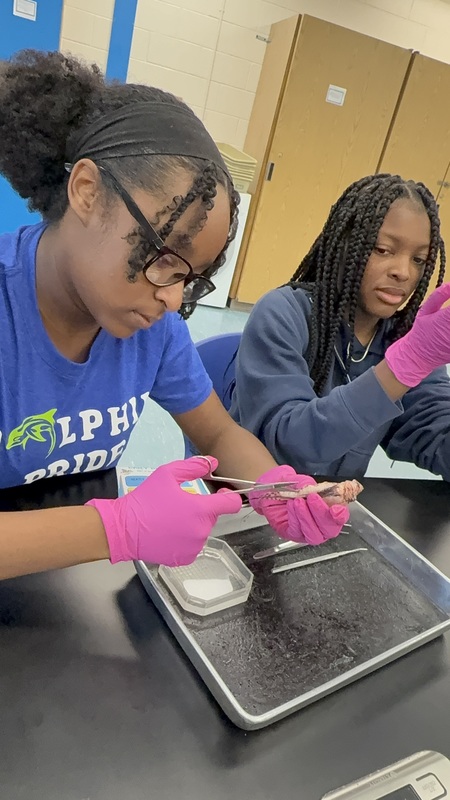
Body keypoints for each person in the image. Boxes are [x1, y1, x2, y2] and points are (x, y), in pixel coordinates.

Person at [0, 50, 349, 581]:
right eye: (164, 258)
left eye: (193, 276)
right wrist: (116, 528)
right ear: (87, 192)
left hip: (67, 579)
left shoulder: (149, 325)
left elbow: (217, 435)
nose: (172, 298)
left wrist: (280, 489)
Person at [231, 173, 450, 480]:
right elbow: (289, 446)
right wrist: (405, 365)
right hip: (250, 500)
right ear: (347, 244)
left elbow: (434, 432)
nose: (403, 271)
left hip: (329, 513)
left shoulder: (404, 335)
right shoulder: (283, 314)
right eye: (383, 250)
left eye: (418, 259)